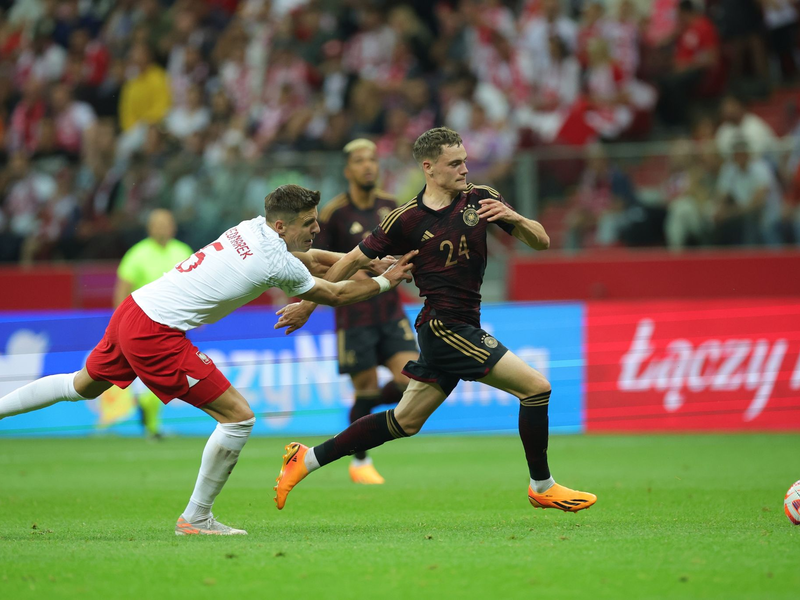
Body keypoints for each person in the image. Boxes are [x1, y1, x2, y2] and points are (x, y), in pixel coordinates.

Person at [0, 185, 416, 536]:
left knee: (80, 386)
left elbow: (313, 260)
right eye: (309, 223)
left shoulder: (251, 229)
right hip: (156, 332)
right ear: (281, 225)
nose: (316, 228)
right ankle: (197, 517)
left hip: (136, 309)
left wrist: (366, 262)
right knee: (239, 417)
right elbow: (335, 294)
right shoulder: (272, 257)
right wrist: (385, 280)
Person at [273, 128, 596, 514]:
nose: (464, 169)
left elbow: (541, 241)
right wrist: (309, 304)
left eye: (464, 161)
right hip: (444, 327)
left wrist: (514, 217)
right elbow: (351, 260)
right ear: (429, 168)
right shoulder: (405, 219)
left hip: (461, 323)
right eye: (454, 163)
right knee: (536, 388)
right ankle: (542, 486)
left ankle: (305, 459)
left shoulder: (483, 198)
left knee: (404, 421)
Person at [314, 139, 419, 484]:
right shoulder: (333, 215)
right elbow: (316, 266)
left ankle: (366, 415)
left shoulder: (392, 207)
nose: (368, 166)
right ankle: (360, 462)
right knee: (366, 389)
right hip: (353, 315)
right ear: (348, 170)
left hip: (390, 311)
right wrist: (356, 271)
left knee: (411, 380)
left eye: (372, 160)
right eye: (360, 161)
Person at [113, 209, 193, 439]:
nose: (162, 228)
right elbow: (122, 289)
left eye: (166, 223)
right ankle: (152, 423)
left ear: (173, 227)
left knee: (166, 372)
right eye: (157, 224)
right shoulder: (137, 254)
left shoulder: (183, 251)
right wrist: (119, 322)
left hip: (174, 323)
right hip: (141, 324)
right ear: (149, 227)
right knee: (161, 371)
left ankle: (149, 415)